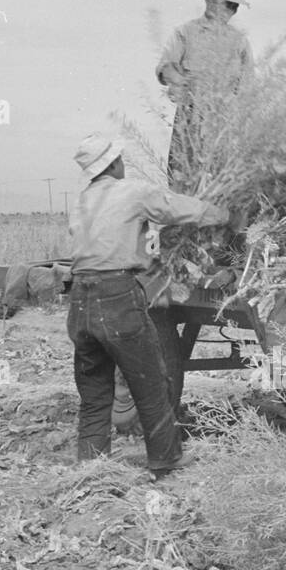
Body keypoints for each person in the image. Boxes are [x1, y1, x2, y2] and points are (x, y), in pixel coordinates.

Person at [66, 134, 234, 478]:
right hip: (116, 297)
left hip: (80, 301)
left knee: (95, 392)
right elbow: (176, 208)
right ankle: (165, 459)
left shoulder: (83, 200)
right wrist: (224, 214)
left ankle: (91, 467)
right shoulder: (132, 192)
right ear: (113, 163)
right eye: (120, 159)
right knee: (151, 381)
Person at [155, 0, 253, 193]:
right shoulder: (185, 32)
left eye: (230, 5)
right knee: (182, 183)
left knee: (221, 188)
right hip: (189, 121)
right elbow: (166, 66)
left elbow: (249, 88)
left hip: (225, 127)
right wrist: (181, 83)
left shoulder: (240, 42)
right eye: (218, 1)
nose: (224, 9)